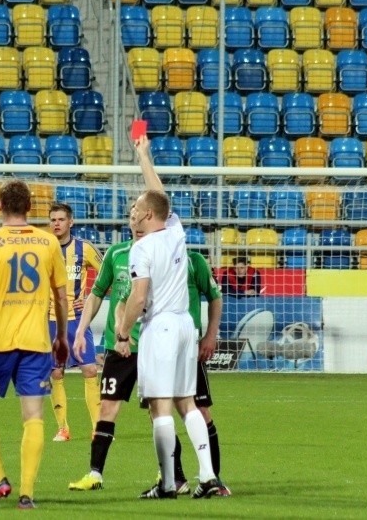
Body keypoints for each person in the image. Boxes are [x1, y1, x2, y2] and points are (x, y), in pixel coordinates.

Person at [67, 212, 231, 497]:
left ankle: (189, 478)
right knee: (143, 407)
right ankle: (99, 472)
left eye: (140, 214)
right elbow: (112, 297)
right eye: (131, 216)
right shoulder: (118, 254)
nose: (135, 221)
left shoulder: (183, 258)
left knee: (180, 408)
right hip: (134, 345)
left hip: (163, 341)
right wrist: (89, 331)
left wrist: (210, 335)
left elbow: (136, 299)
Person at [114, 135, 220, 499]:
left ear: (145, 216)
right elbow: (159, 195)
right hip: (185, 326)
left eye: (134, 211)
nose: (130, 216)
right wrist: (144, 155)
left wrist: (123, 333)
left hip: (158, 327)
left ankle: (168, 482)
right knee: (186, 401)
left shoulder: (140, 248)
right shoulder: (176, 232)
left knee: (160, 406)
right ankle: (207, 477)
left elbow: (139, 296)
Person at [0, 179, 68, 510]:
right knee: (34, 416)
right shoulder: (48, 242)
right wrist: (62, 337)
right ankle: (27, 494)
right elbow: (61, 295)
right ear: (29, 208)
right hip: (36, 342)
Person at [47, 202, 103, 442]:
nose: (56, 224)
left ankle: (98, 429)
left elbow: (107, 274)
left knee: (90, 369)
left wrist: (89, 297)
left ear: (71, 222)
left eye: (61, 219)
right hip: (49, 320)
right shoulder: (42, 249)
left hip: (78, 320)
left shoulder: (84, 249)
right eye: (53, 219)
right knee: (56, 373)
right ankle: (63, 428)